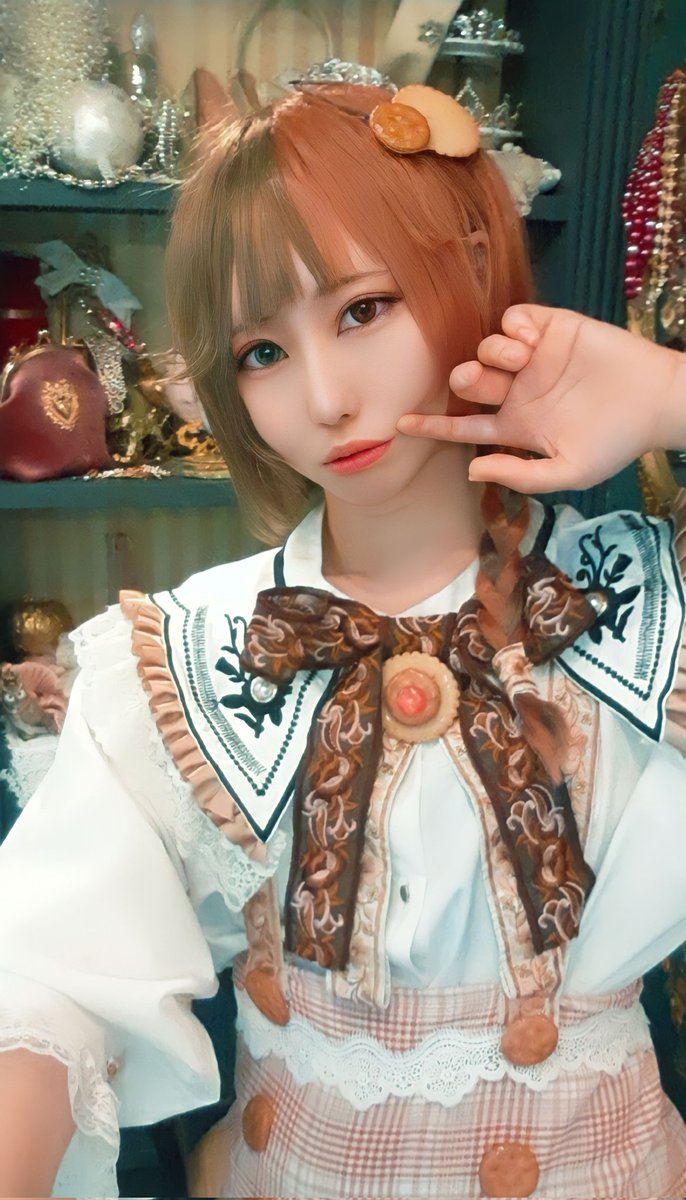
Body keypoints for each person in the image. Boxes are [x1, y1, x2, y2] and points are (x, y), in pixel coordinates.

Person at [1, 73, 686, 1200]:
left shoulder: (636, 602)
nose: (323, 397)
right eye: (261, 353)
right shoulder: (190, 658)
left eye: (363, 310)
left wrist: (667, 396)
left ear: (473, 267)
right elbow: (48, 973)